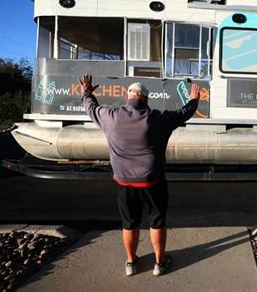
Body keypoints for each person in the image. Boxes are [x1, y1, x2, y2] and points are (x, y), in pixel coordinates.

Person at [79, 74, 199, 277]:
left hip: (124, 182)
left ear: (128, 96)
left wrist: (86, 92)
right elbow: (183, 113)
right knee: (157, 222)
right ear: (146, 98)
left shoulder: (111, 116)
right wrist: (194, 100)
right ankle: (160, 263)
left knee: (129, 223)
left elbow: (91, 107)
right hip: (153, 181)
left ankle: (131, 262)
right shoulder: (157, 118)